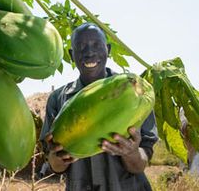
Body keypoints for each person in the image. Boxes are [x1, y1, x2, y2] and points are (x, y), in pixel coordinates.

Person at [39, 23, 158, 191]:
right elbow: (54, 166)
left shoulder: (135, 94)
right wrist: (56, 158)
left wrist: (131, 152)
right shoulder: (58, 99)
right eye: (81, 47)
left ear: (107, 49)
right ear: (72, 55)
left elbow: (141, 163)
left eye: (96, 45)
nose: (89, 52)